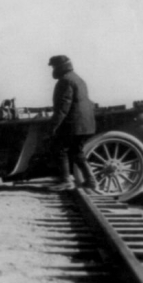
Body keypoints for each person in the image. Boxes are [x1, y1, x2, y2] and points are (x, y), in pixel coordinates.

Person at [48, 55, 98, 190]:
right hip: (85, 124)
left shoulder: (65, 81)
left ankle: (66, 181)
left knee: (60, 149)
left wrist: (53, 126)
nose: (52, 70)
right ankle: (91, 181)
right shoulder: (77, 78)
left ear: (60, 67)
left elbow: (63, 107)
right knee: (77, 152)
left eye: (53, 67)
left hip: (74, 125)